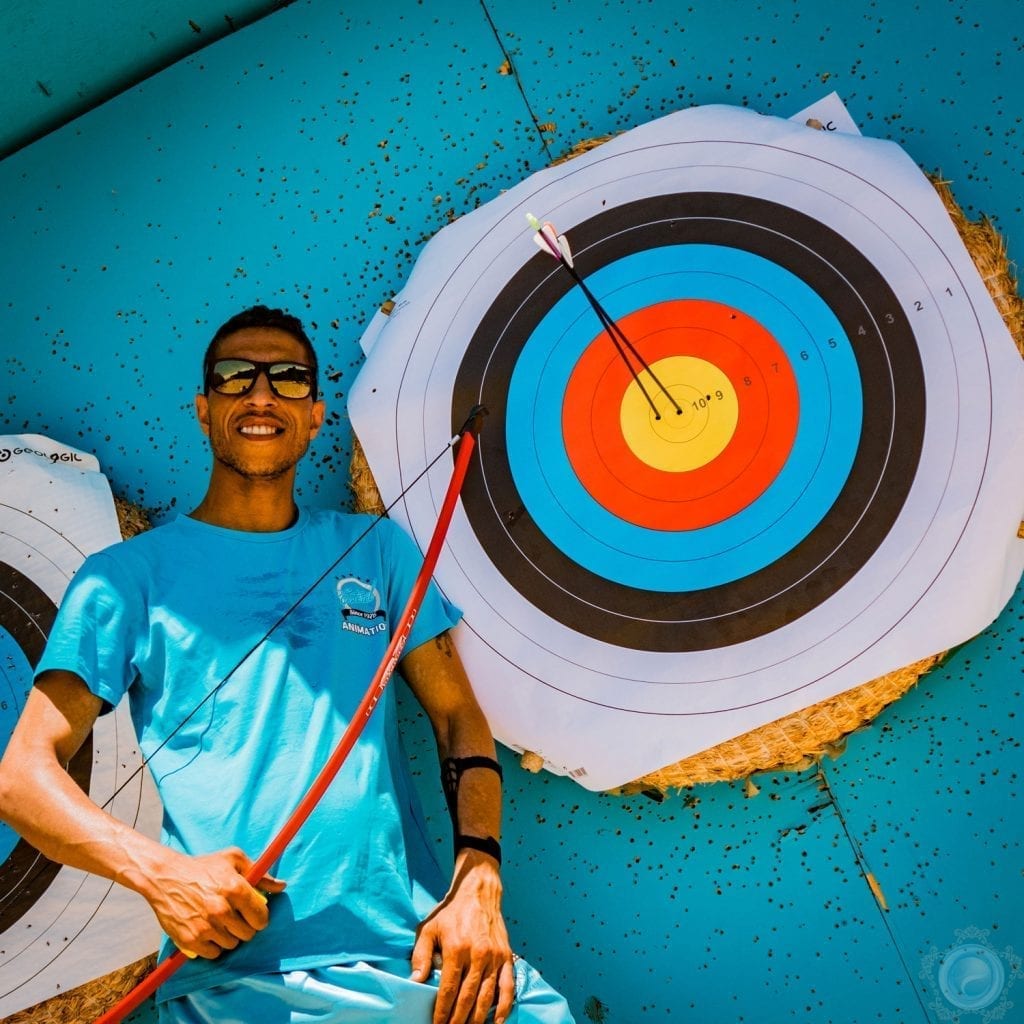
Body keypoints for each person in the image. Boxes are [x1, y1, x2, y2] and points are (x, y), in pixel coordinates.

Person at [0, 306, 574, 1024]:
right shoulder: (123, 580)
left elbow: (457, 715)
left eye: (289, 379)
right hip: (234, 982)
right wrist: (161, 876)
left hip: (421, 958)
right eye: (236, 376)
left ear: (315, 416)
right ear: (204, 412)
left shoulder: (379, 551)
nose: (262, 394)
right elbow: (22, 776)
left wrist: (478, 881)